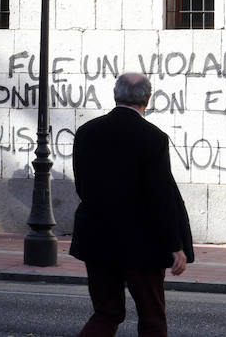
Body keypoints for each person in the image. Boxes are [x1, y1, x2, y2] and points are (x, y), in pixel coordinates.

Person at [70, 73, 194, 337]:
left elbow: (81, 185)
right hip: (142, 243)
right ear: (147, 98)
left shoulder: (86, 131)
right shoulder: (153, 138)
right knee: (151, 315)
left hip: (97, 237)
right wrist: (175, 245)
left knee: (107, 312)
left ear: (115, 93)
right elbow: (160, 197)